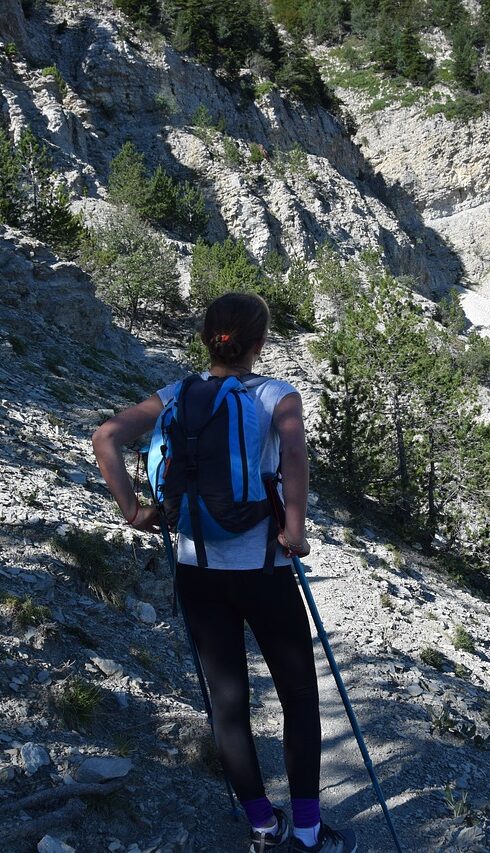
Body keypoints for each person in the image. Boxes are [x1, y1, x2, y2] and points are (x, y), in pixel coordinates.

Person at [92, 292, 357, 853]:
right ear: (259, 343)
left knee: (228, 701)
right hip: (263, 568)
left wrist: (135, 511)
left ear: (208, 338)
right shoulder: (278, 396)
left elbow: (106, 436)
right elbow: (293, 460)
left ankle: (262, 825)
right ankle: (308, 832)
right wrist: (295, 528)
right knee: (299, 698)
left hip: (197, 570)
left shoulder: (175, 395)